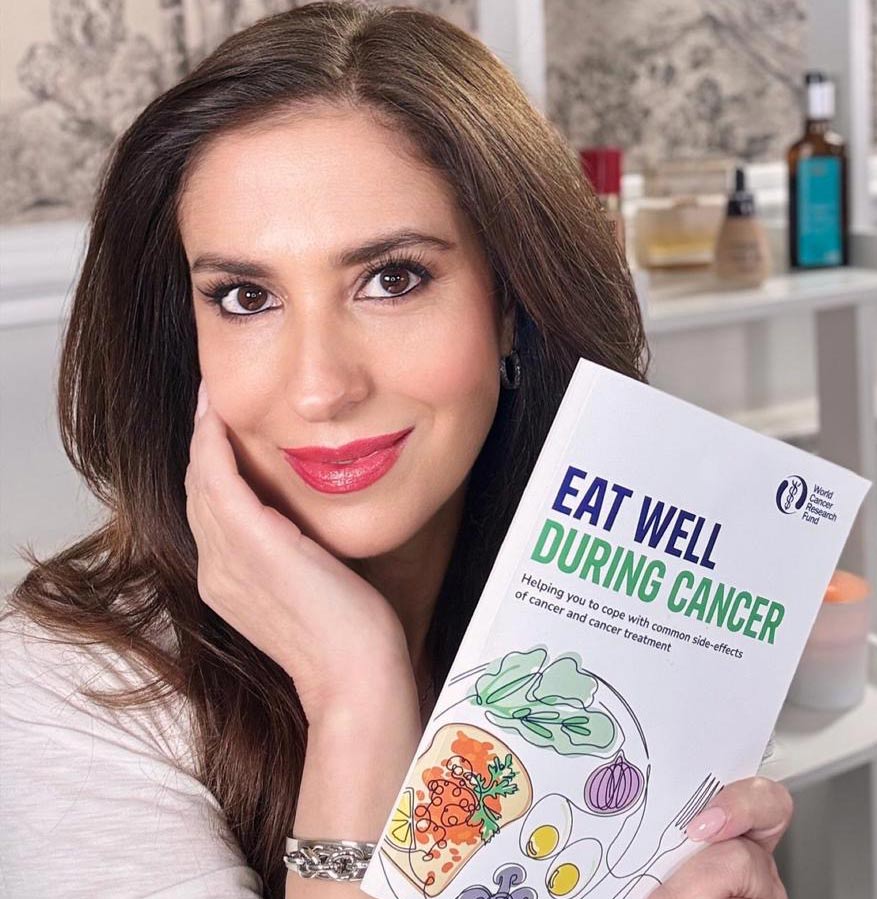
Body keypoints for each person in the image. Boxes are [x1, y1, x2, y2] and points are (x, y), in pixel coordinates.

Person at [0, 3, 793, 897]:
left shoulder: (616, 646)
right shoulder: (68, 686)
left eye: (391, 279)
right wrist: (356, 691)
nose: (319, 387)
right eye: (245, 297)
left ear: (510, 305)